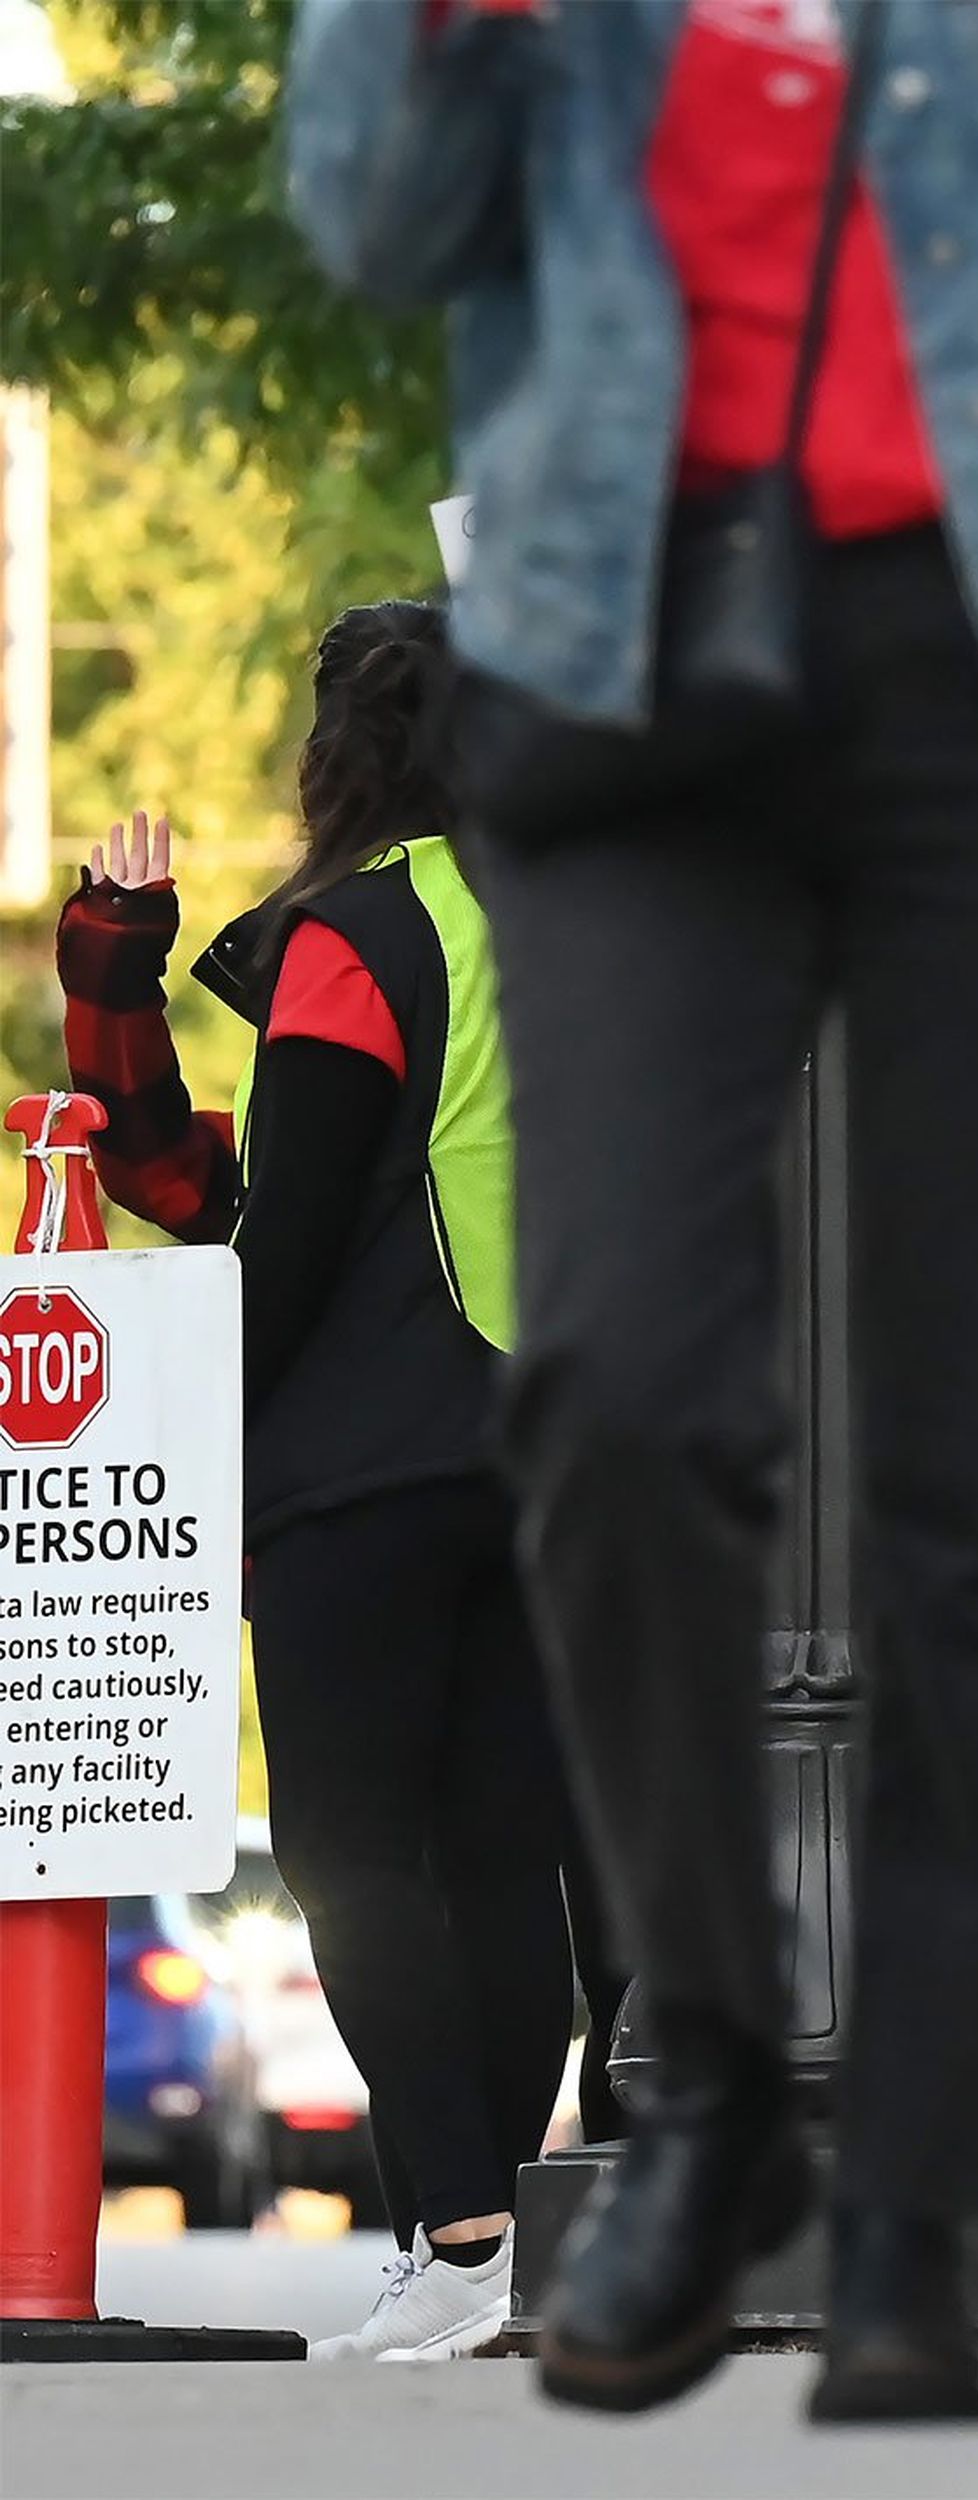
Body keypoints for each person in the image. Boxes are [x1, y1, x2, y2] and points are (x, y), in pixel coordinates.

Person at [288, 0, 978, 2423]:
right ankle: (690, 2085)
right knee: (616, 1396)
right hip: (635, 666)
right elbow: (371, 215)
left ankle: (911, 2181)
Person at [52, 607, 582, 2361]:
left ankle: (464, 2226)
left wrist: (115, 981)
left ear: (336, 756)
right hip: (557, 1453)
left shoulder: (364, 931)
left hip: (368, 1468)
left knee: (356, 1858)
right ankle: (515, 2237)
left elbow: (252, 1227)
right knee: (505, 1856)